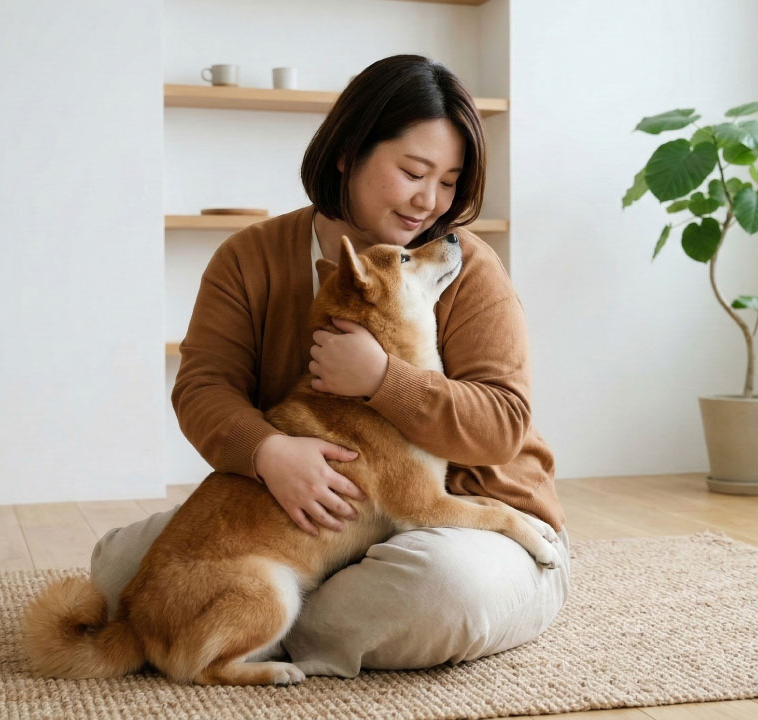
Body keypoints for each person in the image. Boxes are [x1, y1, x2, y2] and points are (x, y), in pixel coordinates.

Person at [89, 54, 569, 679]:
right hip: (304, 522)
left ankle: (252, 626)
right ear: (347, 153)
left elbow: (502, 424)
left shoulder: (465, 265)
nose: (429, 202)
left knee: (441, 588)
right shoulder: (248, 257)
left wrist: (383, 380)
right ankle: (284, 616)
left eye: (449, 182)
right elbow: (203, 387)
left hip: (465, 517)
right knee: (119, 565)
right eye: (412, 172)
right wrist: (269, 453)